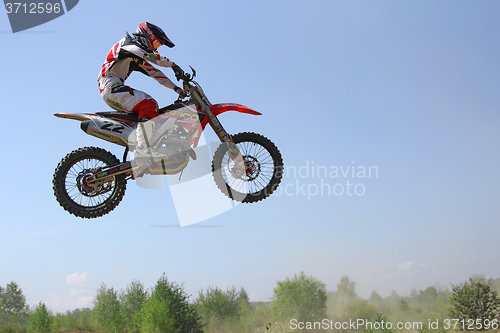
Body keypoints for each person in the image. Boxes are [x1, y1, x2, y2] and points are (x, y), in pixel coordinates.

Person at [97, 22, 184, 160]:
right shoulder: (128, 45)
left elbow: (155, 73)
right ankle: (143, 148)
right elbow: (152, 57)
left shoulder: (136, 55)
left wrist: (177, 89)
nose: (155, 48)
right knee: (149, 104)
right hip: (109, 85)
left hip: (112, 87)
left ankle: (145, 142)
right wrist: (173, 65)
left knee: (150, 109)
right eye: (156, 44)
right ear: (147, 36)